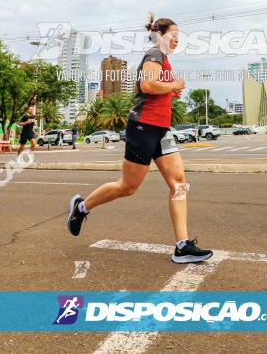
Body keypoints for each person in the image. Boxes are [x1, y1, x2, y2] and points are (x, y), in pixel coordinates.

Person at [66, 14, 213, 263]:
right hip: (143, 126)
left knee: (179, 184)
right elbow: (147, 85)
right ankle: (81, 208)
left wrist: (171, 91)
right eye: (173, 35)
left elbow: (157, 88)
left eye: (178, 36)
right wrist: (174, 84)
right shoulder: (154, 55)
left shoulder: (163, 60)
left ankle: (182, 245)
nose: (177, 40)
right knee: (128, 187)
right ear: (160, 35)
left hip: (162, 129)